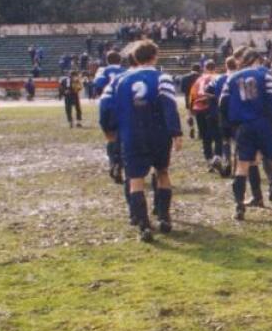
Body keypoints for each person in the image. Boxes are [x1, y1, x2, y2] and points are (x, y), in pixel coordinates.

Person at [99, 40, 183, 242]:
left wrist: (108, 129)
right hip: (158, 133)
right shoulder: (162, 78)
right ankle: (164, 217)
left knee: (135, 178)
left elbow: (105, 104)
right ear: (155, 57)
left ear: (135, 58)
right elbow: (169, 105)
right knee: (162, 172)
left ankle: (143, 224)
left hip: (131, 134)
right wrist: (176, 132)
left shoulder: (119, 80)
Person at [221, 46, 272, 219]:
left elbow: (222, 103)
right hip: (264, 125)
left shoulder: (232, 78)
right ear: (256, 60)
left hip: (244, 127)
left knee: (243, 166)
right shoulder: (264, 75)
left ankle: (239, 205)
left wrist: (229, 126)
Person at [94, 51, 128, 184]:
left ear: (107, 60)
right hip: (123, 105)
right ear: (120, 61)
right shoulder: (126, 71)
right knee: (123, 137)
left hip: (107, 104)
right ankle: (120, 164)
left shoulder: (103, 70)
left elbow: (98, 85)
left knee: (110, 137)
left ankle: (113, 162)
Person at [189, 61, 224, 173]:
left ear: (204, 69)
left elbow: (192, 96)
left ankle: (209, 160)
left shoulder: (198, 80)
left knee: (205, 137)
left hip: (199, 108)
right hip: (212, 108)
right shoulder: (217, 78)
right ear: (215, 68)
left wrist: (190, 113)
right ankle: (217, 157)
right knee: (218, 136)